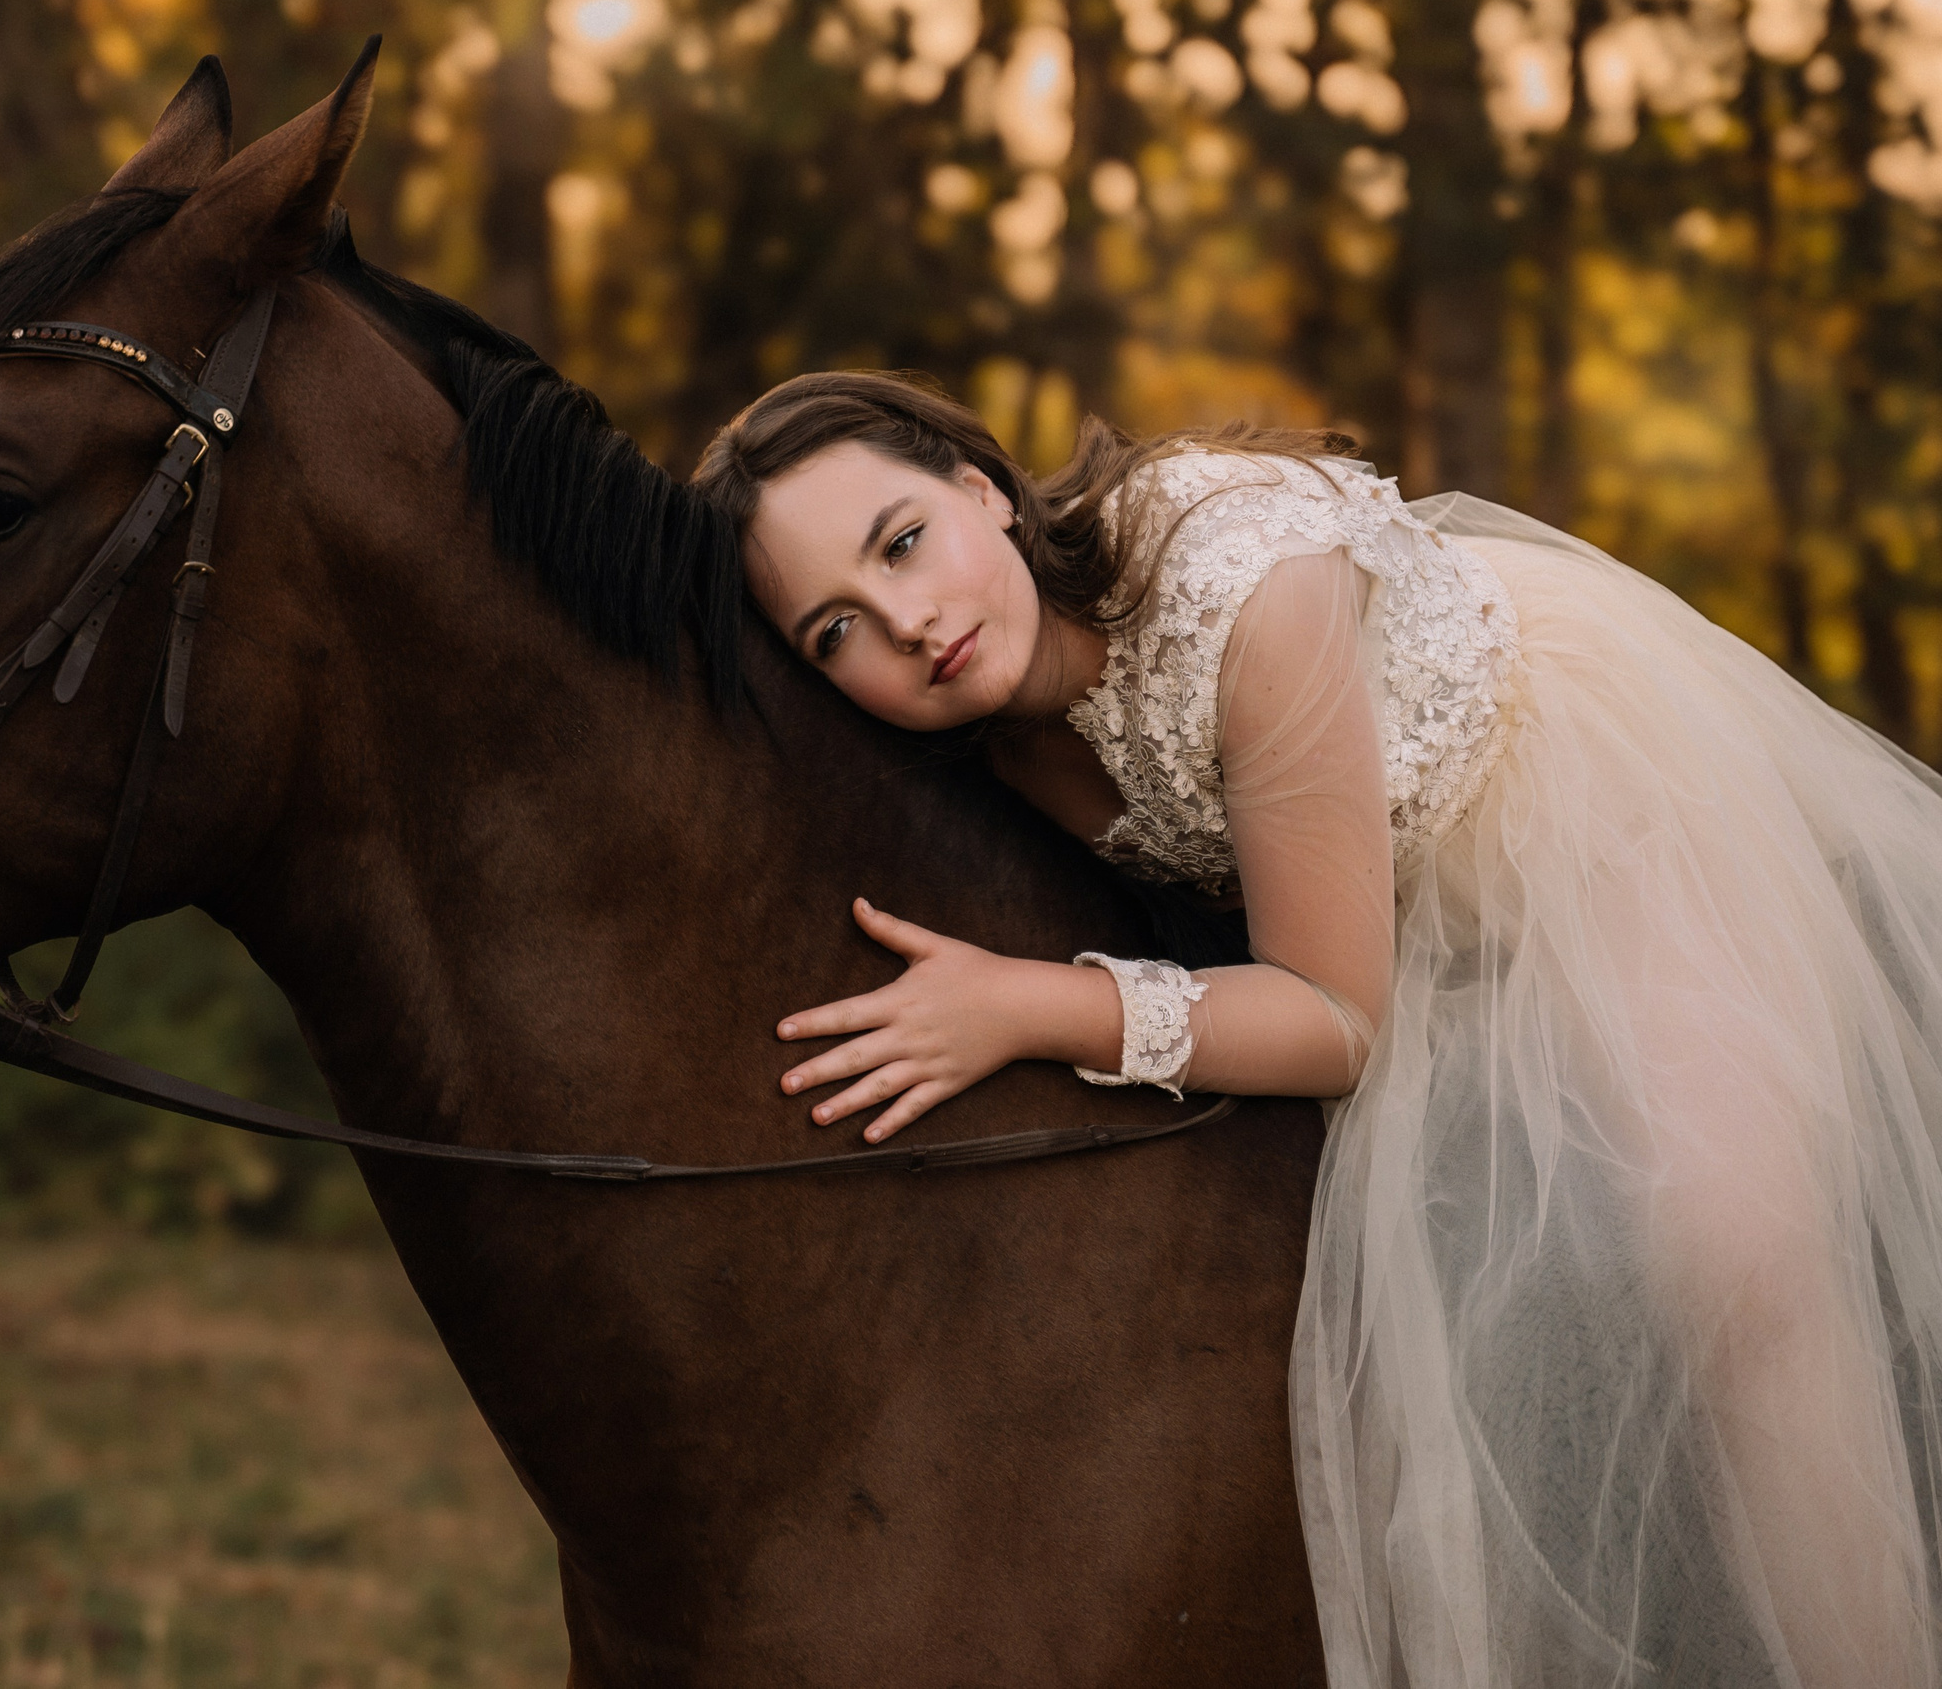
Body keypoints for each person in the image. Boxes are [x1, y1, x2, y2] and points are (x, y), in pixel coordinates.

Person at [691, 371, 1942, 1687]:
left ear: (979, 490)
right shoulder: (969, 745)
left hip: (1579, 821)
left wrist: (1022, 1006)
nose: (908, 620)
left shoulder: (1237, 579)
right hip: (1370, 915)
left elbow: (1338, 1017)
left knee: (1734, 1253)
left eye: (902, 543)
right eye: (837, 631)